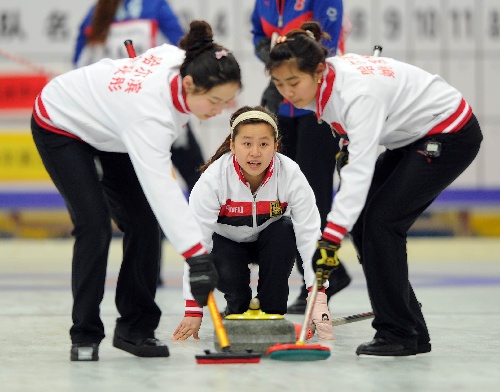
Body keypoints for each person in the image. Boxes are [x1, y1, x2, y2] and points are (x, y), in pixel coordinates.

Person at [266, 21, 483, 356]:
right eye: (279, 84)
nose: (288, 92)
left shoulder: (357, 94)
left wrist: (331, 237)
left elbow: (359, 175)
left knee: (382, 223)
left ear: (320, 70)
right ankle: (411, 328)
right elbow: (351, 143)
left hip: (449, 132)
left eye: (294, 82)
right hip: (411, 136)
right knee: (368, 223)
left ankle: (397, 333)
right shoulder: (326, 84)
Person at [31, 20, 241, 361]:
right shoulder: (150, 117)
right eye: (215, 100)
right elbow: (163, 191)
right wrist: (197, 257)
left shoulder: (181, 59)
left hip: (113, 128)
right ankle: (84, 333)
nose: (220, 110)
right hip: (63, 122)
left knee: (144, 225)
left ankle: (135, 328)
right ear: (188, 84)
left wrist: (195, 257)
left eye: (228, 100)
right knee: (94, 225)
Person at [73, 0, 206, 288]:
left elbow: (184, 51)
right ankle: (152, 273)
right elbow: (80, 59)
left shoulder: (152, 6)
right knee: (148, 194)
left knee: (201, 183)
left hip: (158, 113)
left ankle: (219, 257)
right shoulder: (103, 11)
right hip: (132, 119)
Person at [172, 106, 334, 341]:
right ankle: (236, 307)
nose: (255, 152)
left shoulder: (290, 174)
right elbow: (197, 246)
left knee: (286, 230)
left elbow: (310, 237)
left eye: (264, 144)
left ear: (276, 146)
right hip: (226, 246)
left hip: (271, 243)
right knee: (234, 290)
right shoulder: (213, 180)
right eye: (247, 144)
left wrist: (318, 298)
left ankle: (273, 312)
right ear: (232, 145)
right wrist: (193, 308)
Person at [251, 0, 352, 314]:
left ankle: (319, 281)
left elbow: (325, 46)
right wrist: (275, 69)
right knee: (284, 194)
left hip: (317, 103)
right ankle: (328, 275)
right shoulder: (263, 2)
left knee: (313, 196)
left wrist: (285, 70)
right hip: (284, 102)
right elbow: (258, 35)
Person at [74, 0, 204, 193]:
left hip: (134, 113)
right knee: (191, 177)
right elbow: (182, 51)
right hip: (145, 111)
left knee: (190, 176)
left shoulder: (101, 11)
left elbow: (79, 64)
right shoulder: (106, 10)